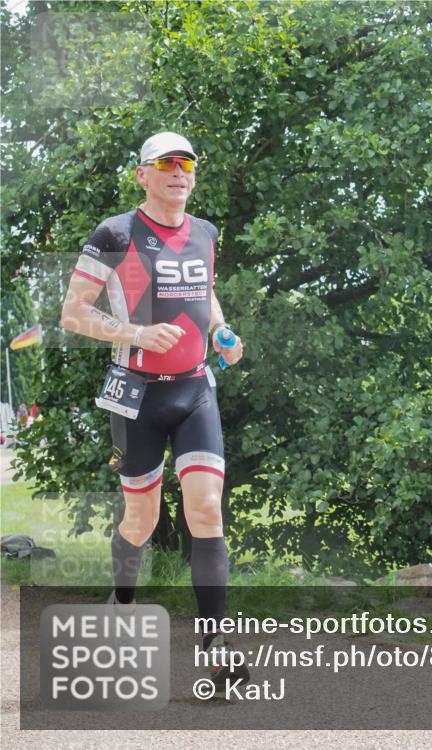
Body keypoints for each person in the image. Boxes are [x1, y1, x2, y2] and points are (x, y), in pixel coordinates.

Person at [60, 131, 249, 687]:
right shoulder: (116, 233)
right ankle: (122, 606)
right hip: (138, 395)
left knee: (207, 509)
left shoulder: (206, 233)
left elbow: (205, 291)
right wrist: (137, 332)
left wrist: (222, 329)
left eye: (187, 162)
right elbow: (74, 313)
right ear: (142, 174)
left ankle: (216, 644)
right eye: (165, 163)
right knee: (140, 521)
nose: (178, 171)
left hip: (195, 389)